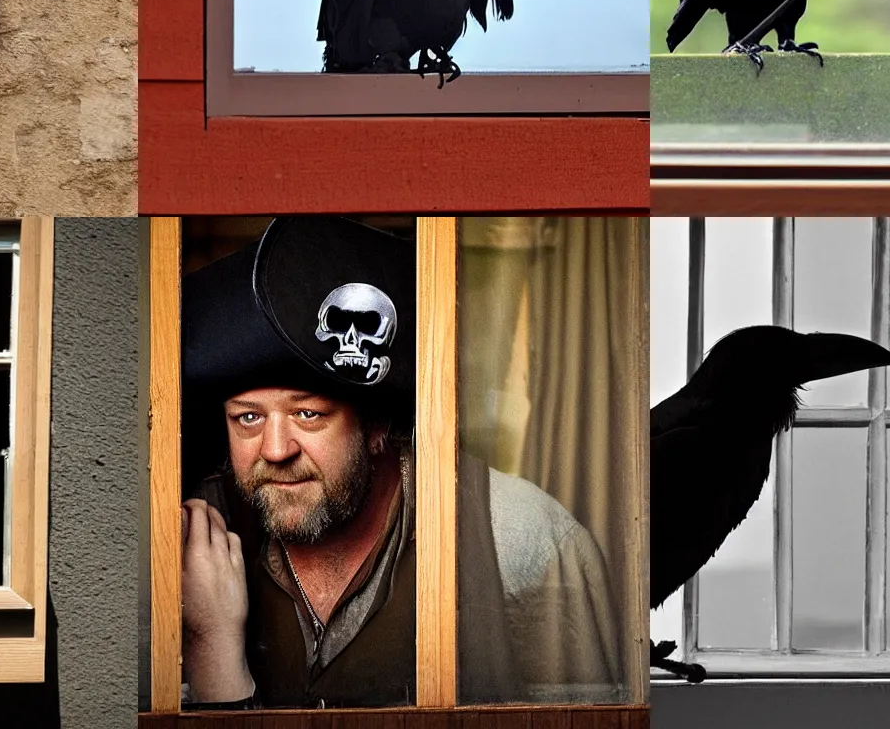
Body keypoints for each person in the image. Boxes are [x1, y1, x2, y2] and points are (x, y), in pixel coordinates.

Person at [180, 217, 624, 707]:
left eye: (309, 414)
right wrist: (211, 645)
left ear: (376, 427)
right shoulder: (184, 543)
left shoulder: (523, 543)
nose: (275, 449)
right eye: (247, 418)